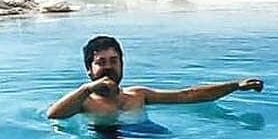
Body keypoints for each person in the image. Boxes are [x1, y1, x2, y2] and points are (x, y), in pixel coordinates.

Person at [45, 34, 263, 122]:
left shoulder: (138, 94)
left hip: (145, 136)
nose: (109, 68)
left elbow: (187, 96)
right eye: (101, 63)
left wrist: (235, 85)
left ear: (122, 65)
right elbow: (53, 115)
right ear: (89, 70)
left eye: (114, 61)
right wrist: (87, 89)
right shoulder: (84, 101)